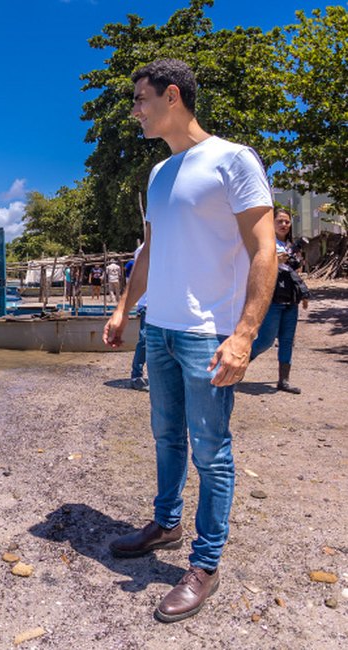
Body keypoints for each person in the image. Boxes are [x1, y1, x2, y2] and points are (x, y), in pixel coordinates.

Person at [102, 59, 276, 624]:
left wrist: (244, 334)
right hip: (160, 329)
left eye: (140, 99)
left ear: (171, 96)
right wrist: (125, 307)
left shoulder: (233, 160)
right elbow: (149, 252)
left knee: (211, 451)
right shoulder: (159, 174)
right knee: (166, 438)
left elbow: (263, 249)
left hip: (209, 335)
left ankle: (204, 564)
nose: (135, 109)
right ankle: (166, 524)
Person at [249, 208, 310, 394]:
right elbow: (255, 268)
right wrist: (274, 259)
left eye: (287, 222)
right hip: (272, 299)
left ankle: (284, 381)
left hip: (291, 300)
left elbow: (296, 274)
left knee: (287, 340)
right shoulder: (266, 245)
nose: (284, 225)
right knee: (265, 340)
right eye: (280, 221)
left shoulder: (292, 246)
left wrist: (303, 293)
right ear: (272, 224)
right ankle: (236, 365)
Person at [128, 245, 149, 391]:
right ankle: (136, 375)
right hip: (148, 303)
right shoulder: (143, 249)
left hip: (163, 304)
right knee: (145, 340)